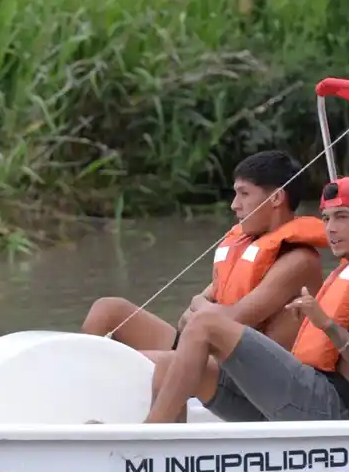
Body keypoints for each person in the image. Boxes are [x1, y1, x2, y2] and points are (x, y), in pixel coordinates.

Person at [142, 176, 349, 424]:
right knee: (169, 365)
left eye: (342, 217)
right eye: (326, 218)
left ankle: (144, 443)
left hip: (330, 410)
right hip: (300, 398)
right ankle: (167, 464)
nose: (331, 229)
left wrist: (326, 325)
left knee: (208, 324)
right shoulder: (348, 270)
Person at [81, 150, 327, 352]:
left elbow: (230, 319)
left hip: (247, 375)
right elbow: (185, 319)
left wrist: (202, 308)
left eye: (244, 194)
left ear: (275, 199)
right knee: (107, 309)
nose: (234, 205)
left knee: (128, 361)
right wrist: (203, 309)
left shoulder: (298, 260)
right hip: (204, 352)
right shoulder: (244, 248)